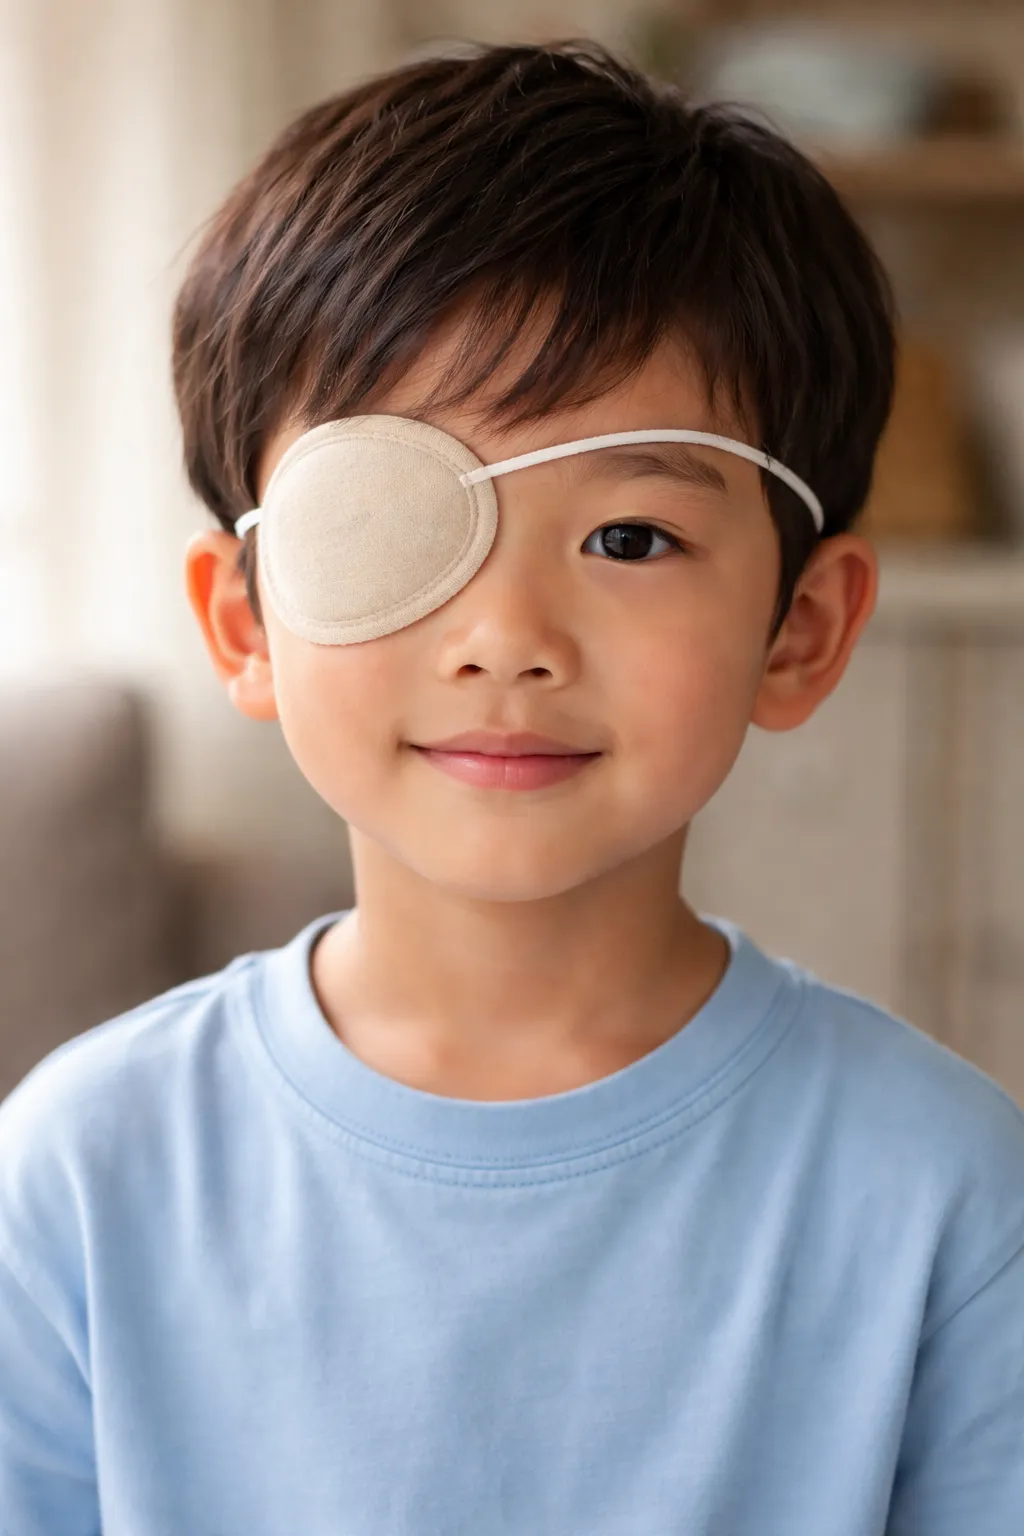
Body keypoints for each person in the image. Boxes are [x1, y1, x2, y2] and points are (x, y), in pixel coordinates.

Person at [1, 40, 1022, 1536]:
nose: (505, 638)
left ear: (801, 630)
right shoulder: (83, 1167)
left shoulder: (943, 1191)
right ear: (245, 623)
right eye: (391, 525)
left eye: (630, 539)